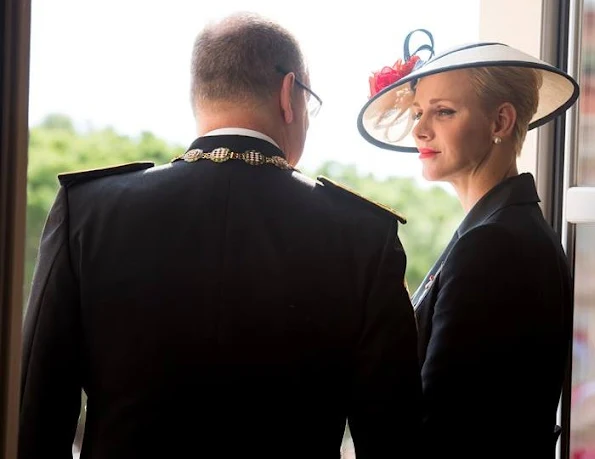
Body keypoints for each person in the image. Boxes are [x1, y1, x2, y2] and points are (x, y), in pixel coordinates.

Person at [19, 12, 422, 459]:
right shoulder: (364, 234)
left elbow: (37, 413)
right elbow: (392, 438)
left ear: (199, 94)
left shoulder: (87, 210)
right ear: (289, 94)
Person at [357, 29, 579, 458]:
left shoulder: (494, 245)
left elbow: (445, 432)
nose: (419, 130)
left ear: (501, 121)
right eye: (419, 112)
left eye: (442, 112)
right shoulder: (502, 229)